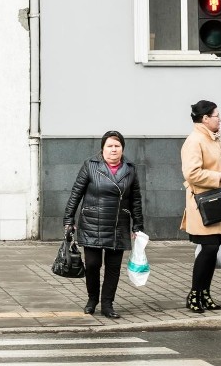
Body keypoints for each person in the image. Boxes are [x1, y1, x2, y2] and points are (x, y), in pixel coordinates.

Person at [63, 130, 144, 319]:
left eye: (117, 146)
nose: (113, 149)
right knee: (92, 264)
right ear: (103, 148)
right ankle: (92, 300)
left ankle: (107, 304)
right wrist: (68, 220)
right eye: (110, 146)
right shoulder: (90, 166)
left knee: (113, 267)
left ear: (122, 148)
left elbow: (136, 200)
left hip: (118, 225)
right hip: (93, 222)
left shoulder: (130, 169)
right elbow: (76, 193)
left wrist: (138, 225)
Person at [181, 100, 221, 313]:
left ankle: (204, 293)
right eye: (216, 115)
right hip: (204, 204)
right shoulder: (195, 141)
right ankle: (194, 294)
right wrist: (219, 176)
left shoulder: (214, 138)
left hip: (216, 203)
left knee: (213, 249)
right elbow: (191, 173)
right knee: (208, 248)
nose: (220, 119)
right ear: (205, 119)